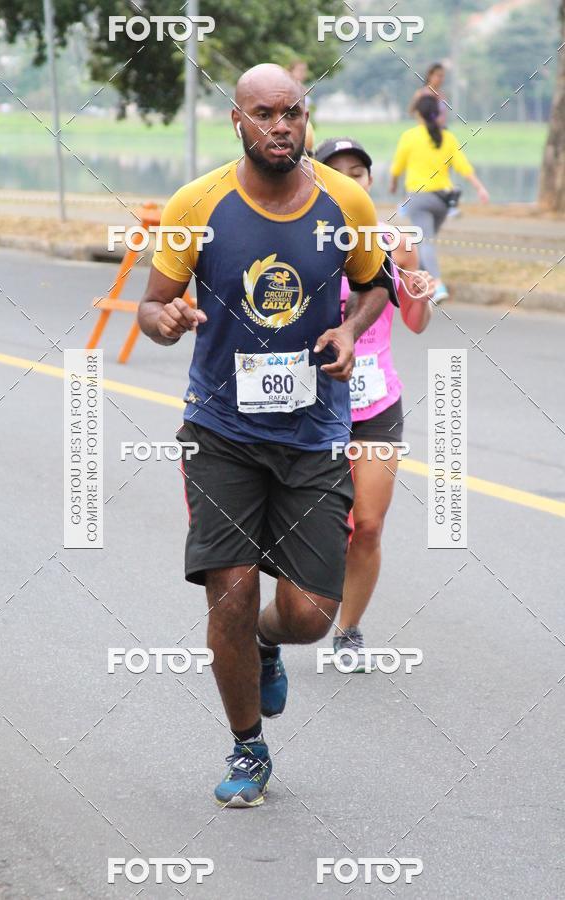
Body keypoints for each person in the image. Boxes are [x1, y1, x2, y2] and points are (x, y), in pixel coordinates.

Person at [138, 64, 397, 807]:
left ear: (305, 116)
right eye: (264, 114)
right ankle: (249, 745)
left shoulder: (344, 199)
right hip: (221, 430)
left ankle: (268, 641)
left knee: (313, 614)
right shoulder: (200, 202)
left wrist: (350, 330)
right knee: (230, 589)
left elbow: (376, 279)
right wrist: (168, 319)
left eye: (293, 112)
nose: (281, 126)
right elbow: (151, 307)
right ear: (237, 121)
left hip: (314, 434)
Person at [315, 137, 433, 666]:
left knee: (367, 525)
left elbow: (413, 321)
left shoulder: (397, 242)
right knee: (311, 526)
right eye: (335, 171)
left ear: (369, 181)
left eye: (358, 171)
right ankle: (283, 617)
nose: (349, 179)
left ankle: (348, 631)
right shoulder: (303, 241)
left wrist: (422, 295)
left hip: (375, 402)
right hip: (312, 403)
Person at [390, 95, 489, 303]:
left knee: (425, 241)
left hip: (419, 198)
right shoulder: (447, 137)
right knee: (427, 240)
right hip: (443, 201)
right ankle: (423, 283)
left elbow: (397, 166)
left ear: (418, 114)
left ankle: (437, 285)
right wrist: (479, 187)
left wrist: (392, 184)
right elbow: (463, 166)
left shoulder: (410, 136)